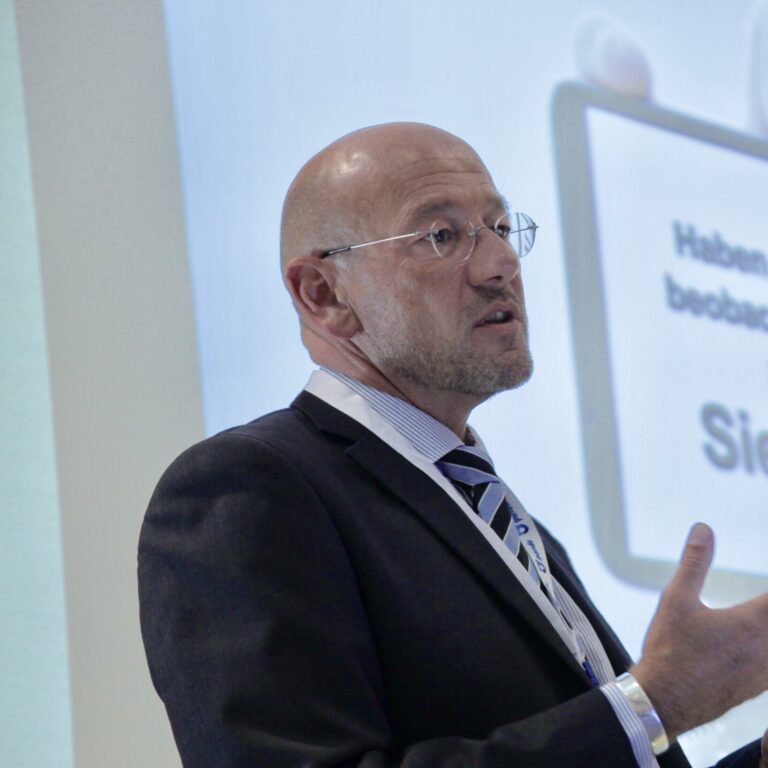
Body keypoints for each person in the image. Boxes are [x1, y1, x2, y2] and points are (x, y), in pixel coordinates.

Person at [138, 122, 768, 768]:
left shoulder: (512, 525)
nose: (502, 264)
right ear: (323, 295)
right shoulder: (250, 490)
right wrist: (656, 701)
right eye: (440, 235)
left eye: (500, 227)